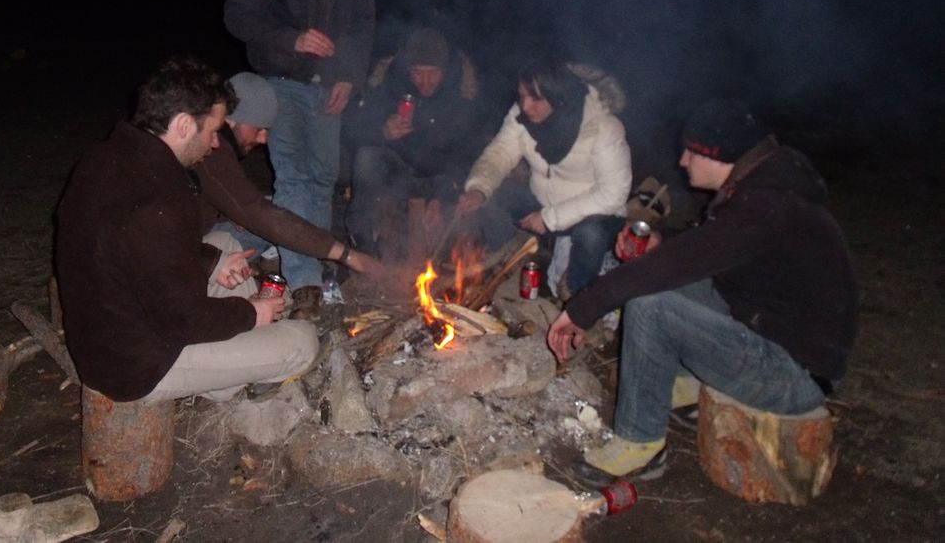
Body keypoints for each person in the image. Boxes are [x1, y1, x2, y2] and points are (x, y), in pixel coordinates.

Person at [548, 100, 858, 486]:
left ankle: (640, 445)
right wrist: (662, 243)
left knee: (652, 304)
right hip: (770, 329)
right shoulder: (761, 187)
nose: (682, 161)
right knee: (667, 284)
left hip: (794, 376)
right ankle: (680, 386)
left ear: (720, 156)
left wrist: (582, 308)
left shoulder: (766, 207)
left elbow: (686, 261)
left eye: (692, 151)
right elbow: (707, 250)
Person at [55, 56, 318, 404]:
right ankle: (228, 379)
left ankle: (237, 360)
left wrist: (212, 262)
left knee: (223, 244)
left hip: (115, 321)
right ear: (182, 125)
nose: (214, 144)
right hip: (137, 364)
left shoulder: (108, 157)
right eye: (211, 131)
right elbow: (184, 320)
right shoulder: (156, 202)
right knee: (302, 342)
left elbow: (138, 251)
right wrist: (251, 312)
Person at [224, 0, 375, 292]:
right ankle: (304, 283)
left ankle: (321, 277)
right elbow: (237, 16)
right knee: (293, 177)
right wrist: (292, 40)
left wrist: (350, 77)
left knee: (322, 179)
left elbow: (364, 25)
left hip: (330, 87)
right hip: (281, 79)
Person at [456, 59, 632, 294]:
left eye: (536, 98)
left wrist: (550, 218)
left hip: (591, 214)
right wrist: (478, 189)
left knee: (591, 234)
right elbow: (499, 154)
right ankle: (507, 262)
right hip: (542, 203)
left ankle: (575, 295)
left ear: (559, 97)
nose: (525, 106)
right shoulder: (521, 115)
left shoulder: (603, 127)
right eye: (521, 96)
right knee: (493, 195)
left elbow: (614, 194)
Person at [195, 71, 380, 281]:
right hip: (185, 250)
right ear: (234, 119)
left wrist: (226, 212)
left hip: (195, 237)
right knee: (272, 221)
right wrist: (347, 255)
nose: (264, 139)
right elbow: (258, 213)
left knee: (273, 214)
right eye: (259, 129)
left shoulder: (217, 143)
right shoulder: (213, 149)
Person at [343, 27, 484, 259]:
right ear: (408, 70)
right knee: (367, 156)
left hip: (442, 183)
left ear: (445, 71)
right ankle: (364, 250)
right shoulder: (389, 87)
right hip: (399, 177)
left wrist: (441, 197)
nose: (426, 82)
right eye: (418, 73)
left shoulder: (460, 98)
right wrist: (383, 132)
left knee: (459, 236)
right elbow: (353, 132)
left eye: (433, 73)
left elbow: (464, 157)